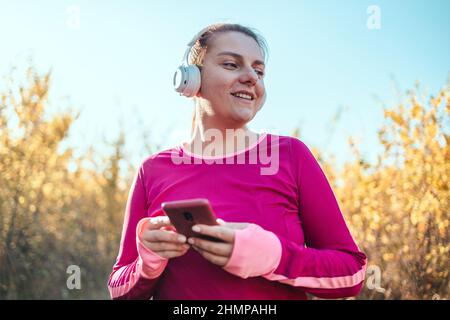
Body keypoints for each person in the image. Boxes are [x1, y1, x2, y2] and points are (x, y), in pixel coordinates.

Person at [107, 23, 367, 300]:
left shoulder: (291, 155)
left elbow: (351, 273)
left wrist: (274, 257)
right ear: (191, 79)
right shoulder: (153, 170)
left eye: (259, 70)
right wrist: (147, 264)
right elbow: (118, 290)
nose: (251, 77)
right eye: (232, 64)